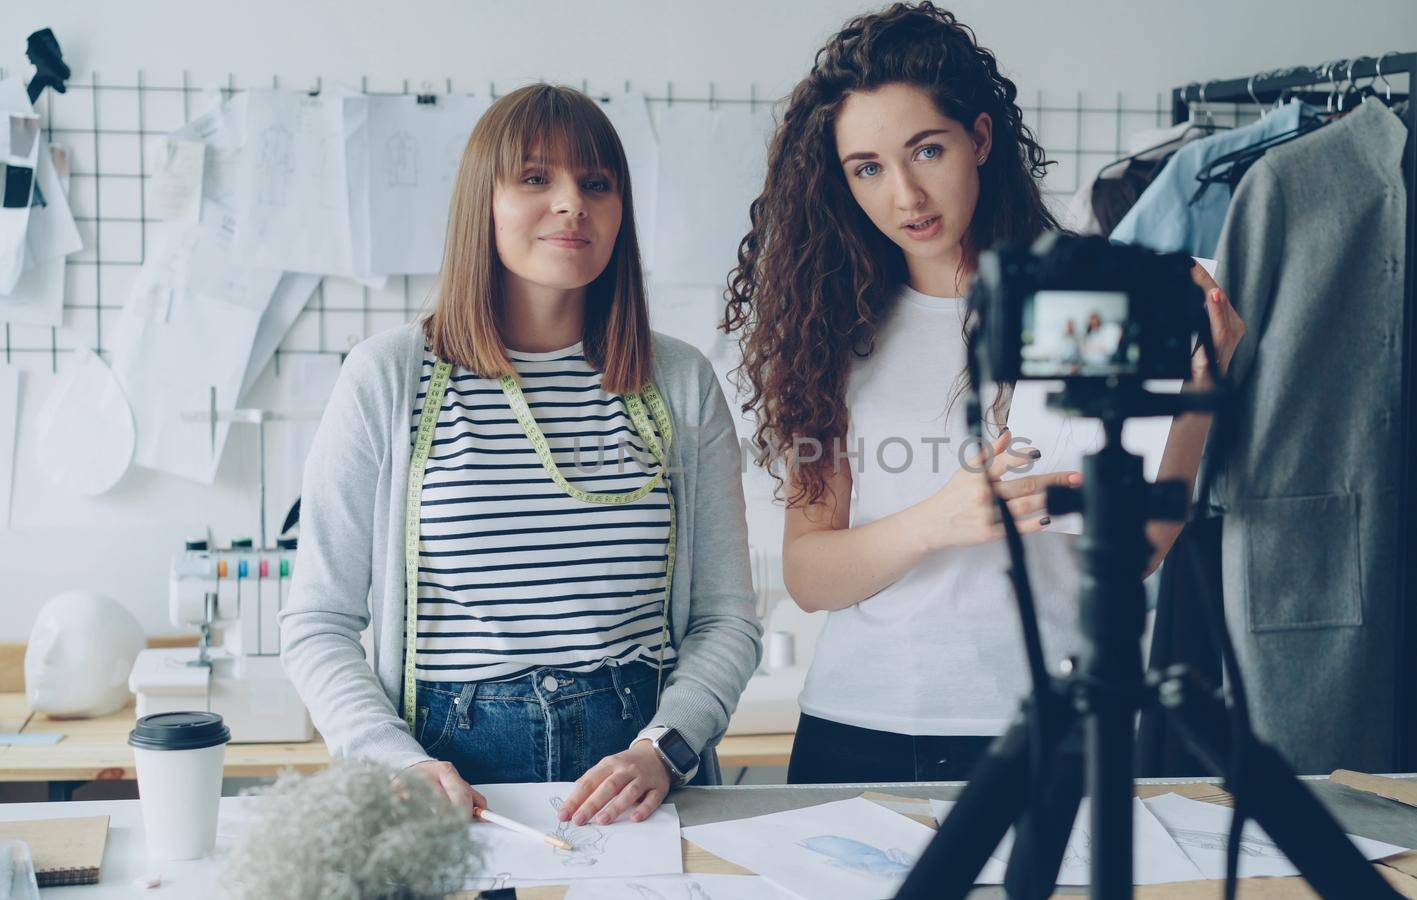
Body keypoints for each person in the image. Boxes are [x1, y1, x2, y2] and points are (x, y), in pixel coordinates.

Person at [722, 2, 1245, 784]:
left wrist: (1202, 387)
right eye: (867, 167)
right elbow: (810, 572)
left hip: (1055, 729)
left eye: (926, 150)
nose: (904, 194)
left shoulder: (1082, 305)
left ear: (981, 139)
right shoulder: (829, 327)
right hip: (861, 728)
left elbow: (1136, 549)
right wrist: (939, 520)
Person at [282, 84, 761, 826]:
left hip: (638, 780)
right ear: (485, 203)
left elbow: (726, 618)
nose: (573, 203)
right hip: (449, 782)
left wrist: (665, 748)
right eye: (536, 178)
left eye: (596, 183)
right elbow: (316, 620)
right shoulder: (389, 377)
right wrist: (392, 758)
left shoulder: (680, 383)